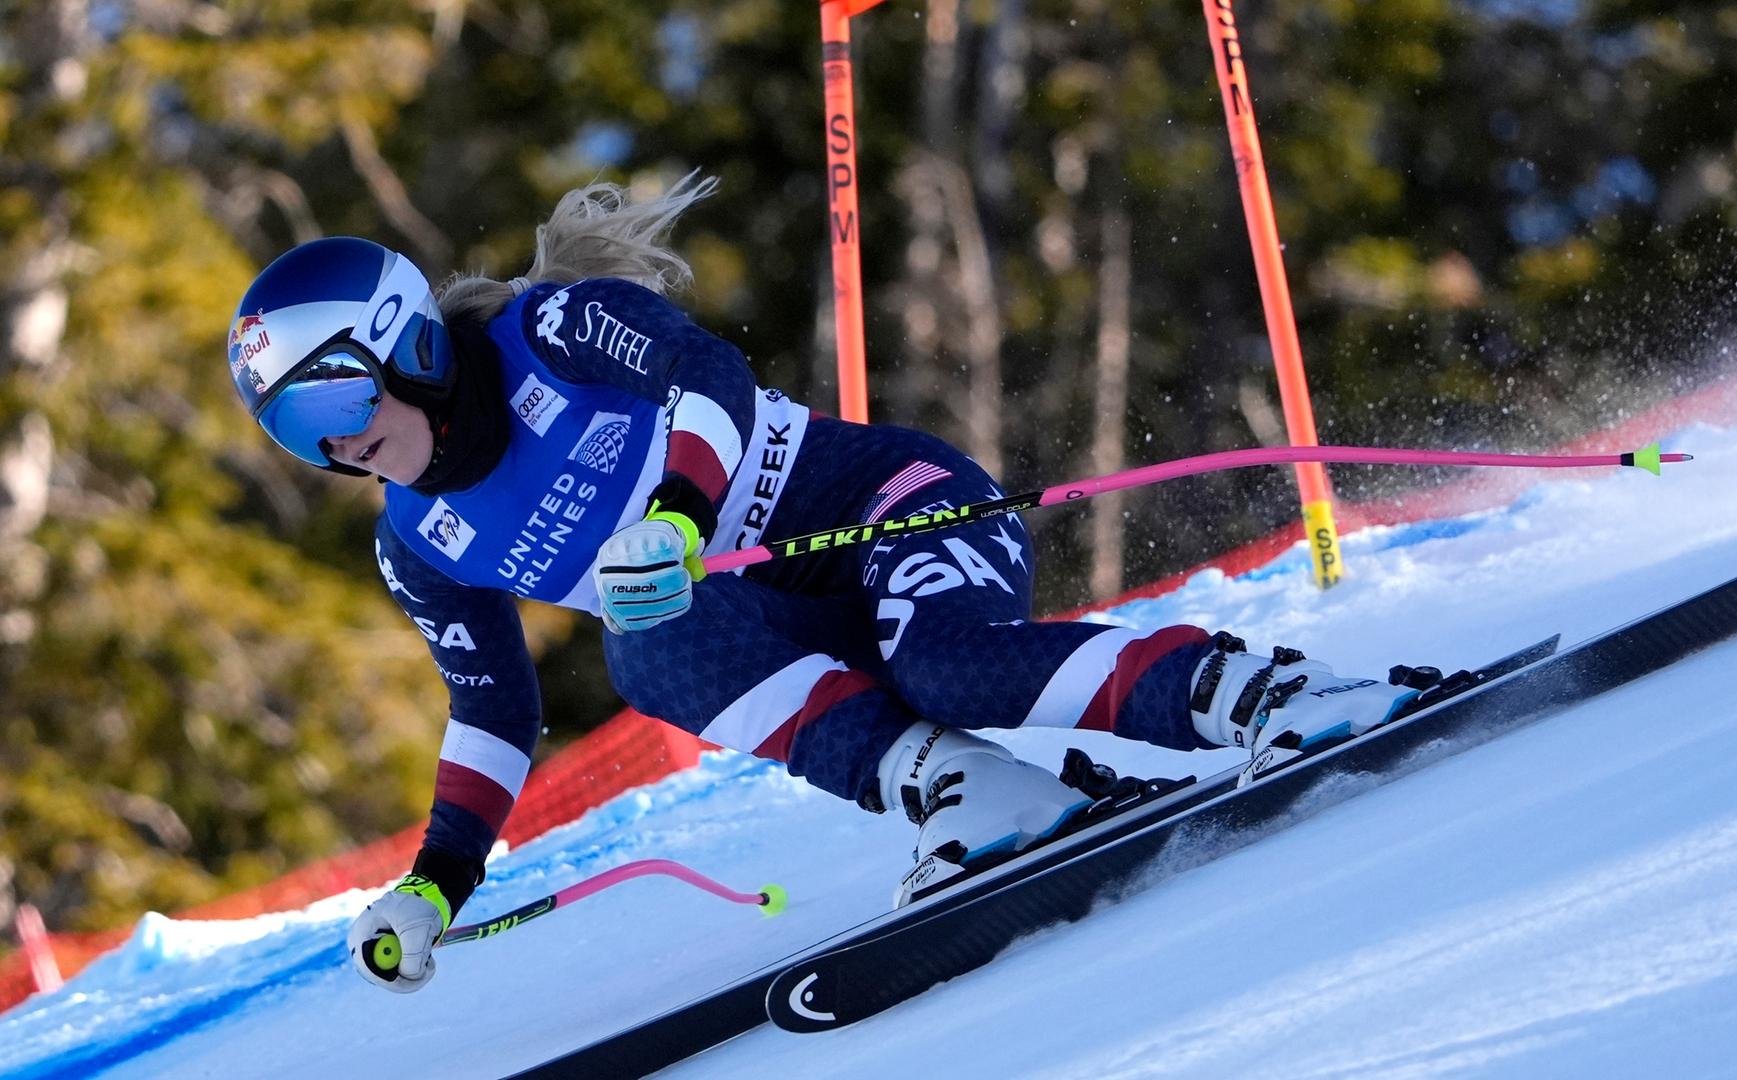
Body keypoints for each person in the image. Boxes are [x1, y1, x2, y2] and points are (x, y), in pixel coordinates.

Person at [225, 177, 1419, 993]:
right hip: (791, 620)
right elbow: (494, 713)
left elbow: (712, 385)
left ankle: (1262, 693)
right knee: (647, 649)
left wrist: (680, 517)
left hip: (884, 503)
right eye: (293, 431)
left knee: (944, 659)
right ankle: (972, 793)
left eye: (333, 402)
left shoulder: (557, 329)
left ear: (407, 345)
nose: (333, 448)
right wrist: (433, 885)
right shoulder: (416, 537)